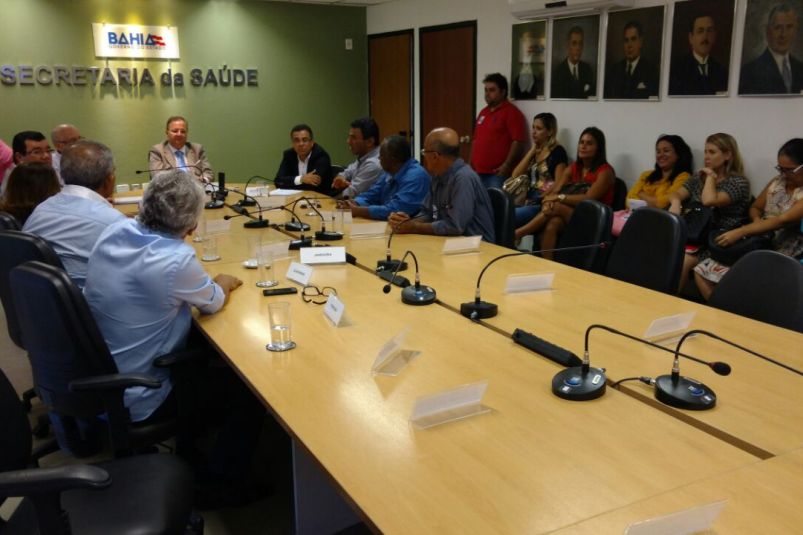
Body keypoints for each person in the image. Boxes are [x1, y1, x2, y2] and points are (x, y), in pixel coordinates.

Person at [84, 170, 263, 507]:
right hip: (142, 389)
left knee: (200, 349)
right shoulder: (175, 259)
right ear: (192, 226)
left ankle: (191, 446)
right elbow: (213, 302)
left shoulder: (115, 230)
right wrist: (224, 281)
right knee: (249, 393)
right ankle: (221, 483)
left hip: (105, 369)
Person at [694, 138, 803, 299]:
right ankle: (720, 311)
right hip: (758, 240)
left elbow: (782, 220)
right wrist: (757, 221)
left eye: (790, 170)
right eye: (780, 168)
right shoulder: (777, 182)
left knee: (745, 281)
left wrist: (742, 231)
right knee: (702, 271)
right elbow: (755, 207)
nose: (784, 174)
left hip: (787, 248)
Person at [23, 140, 125, 289]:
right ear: (109, 178)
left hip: (39, 296)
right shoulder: (113, 222)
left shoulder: (41, 210)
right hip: (91, 300)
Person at [515, 127, 614, 260]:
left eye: (589, 143)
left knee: (556, 206)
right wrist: (548, 201)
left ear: (599, 148)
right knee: (552, 224)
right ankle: (547, 265)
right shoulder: (573, 167)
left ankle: (518, 233)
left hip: (593, 220)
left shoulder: (605, 172)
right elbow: (556, 190)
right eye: (581, 142)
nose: (583, 146)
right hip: (570, 214)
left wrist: (559, 198)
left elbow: (588, 198)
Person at [669, 133, 751, 292]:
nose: (706, 156)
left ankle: (668, 301)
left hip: (718, 241)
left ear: (727, 155)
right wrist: (676, 202)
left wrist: (711, 176)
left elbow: (709, 200)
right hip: (695, 235)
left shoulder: (738, 182)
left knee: (683, 260)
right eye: (705, 151)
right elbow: (675, 193)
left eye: (712, 152)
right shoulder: (698, 177)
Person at [389, 127, 495, 243]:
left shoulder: (464, 178)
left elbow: (455, 226)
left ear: (435, 156)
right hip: (450, 241)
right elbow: (427, 213)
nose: (424, 156)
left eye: (424, 152)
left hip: (477, 246)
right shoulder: (437, 175)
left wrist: (414, 227)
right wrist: (407, 222)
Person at [338, 135, 429, 221]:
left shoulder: (416, 177)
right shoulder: (390, 171)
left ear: (393, 159)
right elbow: (372, 194)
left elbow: (396, 210)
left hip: (407, 228)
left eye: (381, 155)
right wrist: (354, 203)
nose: (378, 158)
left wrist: (357, 211)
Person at [510, 113, 568, 227]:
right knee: (499, 212)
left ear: (550, 132)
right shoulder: (536, 151)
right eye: (533, 128)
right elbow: (515, 175)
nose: (534, 132)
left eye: (539, 128)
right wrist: (532, 150)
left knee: (508, 217)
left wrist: (539, 199)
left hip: (542, 200)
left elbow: (559, 184)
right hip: (527, 198)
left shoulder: (557, 152)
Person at [470, 73, 527, 189]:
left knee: (495, 201)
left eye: (492, 90)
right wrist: (470, 164)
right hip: (477, 172)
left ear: (503, 92)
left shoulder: (512, 112)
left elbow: (518, 142)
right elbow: (475, 140)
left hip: (497, 175)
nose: (487, 94)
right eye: (486, 90)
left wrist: (506, 165)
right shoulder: (483, 112)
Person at [739, 3, 803, 94]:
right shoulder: (749, 72)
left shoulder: (800, 69)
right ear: (768, 31)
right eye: (778, 27)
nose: (783, 34)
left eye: (789, 27)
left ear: (795, 30)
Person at [627, 134, 693, 209]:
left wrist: (641, 194)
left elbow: (664, 204)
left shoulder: (683, 177)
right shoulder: (646, 175)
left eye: (666, 151)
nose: (660, 155)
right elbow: (628, 201)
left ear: (678, 154)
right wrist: (652, 201)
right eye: (658, 152)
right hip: (636, 214)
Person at [669, 13, 728, 95]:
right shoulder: (677, 69)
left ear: (714, 36)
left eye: (709, 31)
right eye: (700, 31)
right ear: (691, 38)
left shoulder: (721, 71)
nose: (705, 37)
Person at [148, 116, 213, 183]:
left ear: (187, 133)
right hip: (170, 189)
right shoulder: (157, 151)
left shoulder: (197, 149)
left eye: (183, 131)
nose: (179, 134)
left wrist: (202, 181)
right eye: (175, 131)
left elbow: (208, 173)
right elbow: (157, 177)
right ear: (167, 132)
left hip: (197, 187)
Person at [604, 21, 659, 99]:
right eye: (626, 40)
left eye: (633, 39)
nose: (629, 45)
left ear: (640, 42)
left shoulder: (650, 70)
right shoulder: (614, 70)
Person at [331, 117, 383, 199]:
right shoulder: (364, 156)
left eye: (353, 138)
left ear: (369, 142)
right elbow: (347, 172)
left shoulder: (374, 163)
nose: (348, 141)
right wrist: (340, 178)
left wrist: (329, 200)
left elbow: (351, 194)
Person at [274, 123, 334, 194]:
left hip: (320, 198)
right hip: (295, 197)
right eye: (297, 140)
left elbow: (313, 185)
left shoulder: (321, 156)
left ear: (312, 142)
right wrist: (301, 179)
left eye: (305, 140)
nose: (301, 144)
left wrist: (290, 182)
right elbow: (278, 181)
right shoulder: (289, 155)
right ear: (293, 143)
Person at [1, 131, 53, 197]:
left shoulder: (48, 173)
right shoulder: (16, 180)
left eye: (48, 151)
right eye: (37, 152)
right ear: (19, 157)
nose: (46, 156)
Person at [551, 26, 597, 99]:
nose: (578, 48)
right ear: (568, 45)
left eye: (580, 43)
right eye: (574, 43)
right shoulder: (558, 72)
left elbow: (592, 96)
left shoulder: (587, 69)